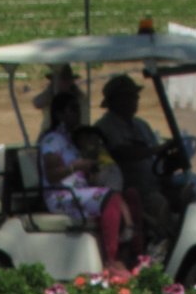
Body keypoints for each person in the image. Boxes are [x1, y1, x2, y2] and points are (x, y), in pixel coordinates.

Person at [39, 94, 137, 273]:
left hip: (76, 192)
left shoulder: (69, 140)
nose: (78, 113)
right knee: (109, 197)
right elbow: (52, 175)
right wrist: (76, 167)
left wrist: (88, 170)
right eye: (73, 109)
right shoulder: (52, 140)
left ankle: (130, 256)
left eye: (78, 109)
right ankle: (111, 261)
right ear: (60, 114)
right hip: (60, 195)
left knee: (129, 197)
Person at [97, 74, 176, 253]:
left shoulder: (141, 125)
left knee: (186, 193)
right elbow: (122, 152)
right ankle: (159, 247)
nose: (135, 100)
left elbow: (153, 152)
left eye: (135, 96)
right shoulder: (106, 126)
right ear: (115, 100)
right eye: (130, 96)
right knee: (159, 203)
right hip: (129, 187)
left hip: (153, 182)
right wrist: (155, 150)